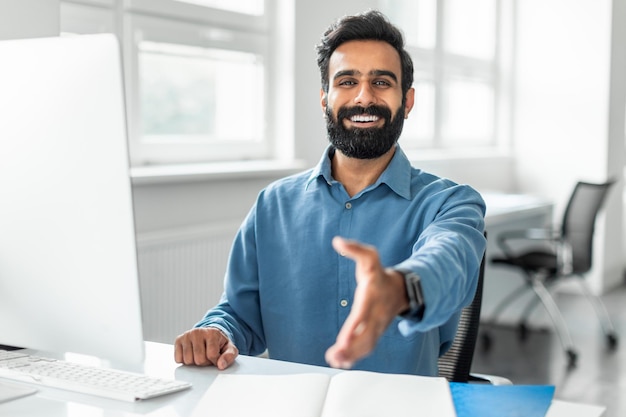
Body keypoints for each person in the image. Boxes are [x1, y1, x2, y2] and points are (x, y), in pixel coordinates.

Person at [174, 9, 486, 376]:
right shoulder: (273, 205)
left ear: (408, 100)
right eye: (347, 81)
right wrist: (217, 332)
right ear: (325, 98)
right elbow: (239, 314)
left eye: (382, 83)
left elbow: (449, 262)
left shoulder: (451, 203)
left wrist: (399, 289)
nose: (364, 98)